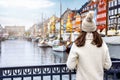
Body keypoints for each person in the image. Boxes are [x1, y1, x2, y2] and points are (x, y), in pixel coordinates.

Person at [66, 11, 112, 80]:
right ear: (94, 28)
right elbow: (108, 65)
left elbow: (70, 66)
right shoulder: (102, 43)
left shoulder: (77, 44)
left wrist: (78, 63)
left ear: (83, 29)